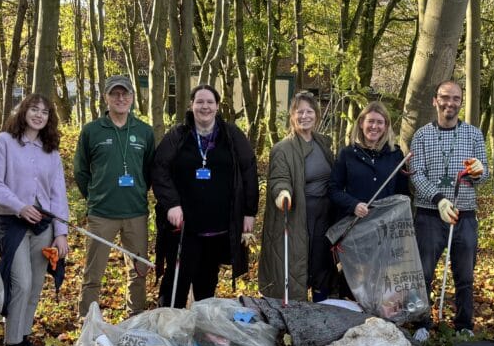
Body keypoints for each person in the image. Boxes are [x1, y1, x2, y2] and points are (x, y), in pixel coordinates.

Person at [0, 94, 69, 346]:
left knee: (34, 284)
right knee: (19, 282)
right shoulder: (3, 143)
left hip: (43, 226)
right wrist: (19, 206)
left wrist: (61, 233)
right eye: (33, 109)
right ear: (22, 112)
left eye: (44, 112)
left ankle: (22, 339)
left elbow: (58, 194)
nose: (38, 115)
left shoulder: (51, 151)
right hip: (13, 222)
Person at [152, 84, 258, 307]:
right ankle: (170, 329)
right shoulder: (178, 136)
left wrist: (249, 211)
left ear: (218, 106)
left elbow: (249, 170)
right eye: (199, 102)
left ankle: (202, 329)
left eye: (210, 102)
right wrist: (171, 204)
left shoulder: (232, 136)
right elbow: (159, 169)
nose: (205, 107)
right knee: (176, 283)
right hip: (183, 227)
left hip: (217, 228)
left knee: (206, 284)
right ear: (191, 105)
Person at [410, 80, 488, 335]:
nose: (450, 103)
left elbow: (482, 175)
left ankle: (464, 326)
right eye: (445, 97)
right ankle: (421, 323)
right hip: (430, 215)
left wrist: (478, 172)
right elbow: (416, 174)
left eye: (456, 98)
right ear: (435, 100)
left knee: (464, 275)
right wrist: (439, 199)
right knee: (424, 273)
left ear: (461, 102)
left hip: (464, 215)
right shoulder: (421, 135)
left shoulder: (474, 134)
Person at [74, 75, 155, 319]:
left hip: (136, 213)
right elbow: (80, 170)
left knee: (138, 270)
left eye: (125, 94)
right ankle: (87, 322)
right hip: (102, 214)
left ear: (132, 97)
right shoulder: (92, 131)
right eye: (115, 94)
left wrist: (138, 190)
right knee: (93, 273)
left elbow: (150, 169)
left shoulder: (144, 131)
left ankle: (135, 318)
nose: (120, 98)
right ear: (106, 97)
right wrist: (95, 195)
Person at [260, 92, 336, 302]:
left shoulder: (324, 144)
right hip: (297, 215)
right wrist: (282, 192)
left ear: (316, 116)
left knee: (321, 264)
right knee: (296, 264)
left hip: (324, 216)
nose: (305, 116)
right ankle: (296, 312)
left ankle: (322, 308)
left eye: (309, 111)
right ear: (292, 116)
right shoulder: (283, 149)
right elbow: (279, 177)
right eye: (299, 111)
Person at [329, 101, 410, 220]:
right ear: (361, 123)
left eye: (380, 122)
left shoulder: (395, 154)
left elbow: (402, 194)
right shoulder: (347, 154)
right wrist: (353, 205)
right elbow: (333, 189)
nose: (374, 126)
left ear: (386, 126)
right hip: (354, 224)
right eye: (370, 121)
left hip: (385, 224)